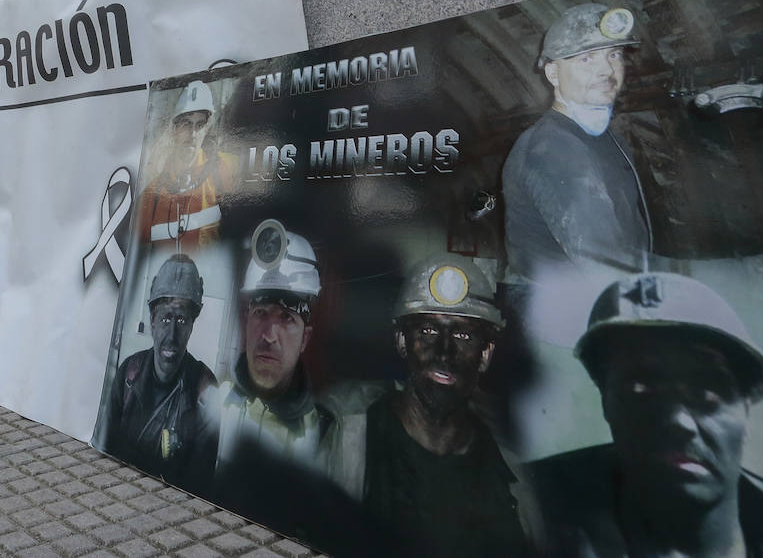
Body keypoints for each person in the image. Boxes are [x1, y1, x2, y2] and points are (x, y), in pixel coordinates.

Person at [528, 272, 763, 557]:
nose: (677, 422)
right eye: (640, 389)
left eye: (706, 391)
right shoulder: (523, 514)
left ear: (745, 409)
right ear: (607, 403)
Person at [321, 254, 532, 557]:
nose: (443, 352)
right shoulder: (349, 444)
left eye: (462, 334)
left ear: (485, 354)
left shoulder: (512, 478)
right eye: (428, 331)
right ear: (402, 341)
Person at [202, 219, 335, 538]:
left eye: (287, 318)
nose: (268, 335)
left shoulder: (326, 435)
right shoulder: (212, 404)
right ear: (246, 323)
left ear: (305, 339)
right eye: (260, 313)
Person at [502, 3, 652, 283]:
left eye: (614, 55)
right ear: (553, 74)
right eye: (587, 59)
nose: (607, 70)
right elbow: (608, 267)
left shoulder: (609, 139)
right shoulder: (550, 148)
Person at [100, 254, 216, 490]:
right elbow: (105, 445)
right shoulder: (128, 374)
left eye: (182, 320)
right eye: (165, 318)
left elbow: (200, 483)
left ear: (193, 324)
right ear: (152, 320)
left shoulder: (205, 389)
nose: (171, 336)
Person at [134, 80, 237, 254]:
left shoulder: (225, 170)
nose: (193, 134)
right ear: (174, 128)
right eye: (186, 124)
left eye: (199, 124)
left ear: (206, 128)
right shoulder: (152, 195)